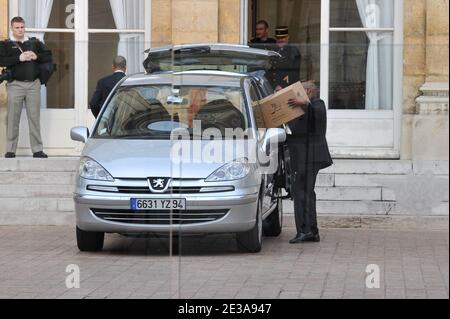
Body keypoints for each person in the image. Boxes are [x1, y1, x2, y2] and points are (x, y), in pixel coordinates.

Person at [285, 81, 333, 243]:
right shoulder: (302, 108)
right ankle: (311, 230)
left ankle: (306, 231)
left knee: (302, 192)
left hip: (311, 156)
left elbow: (317, 113)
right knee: (304, 192)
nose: (298, 94)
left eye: (302, 91)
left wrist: (305, 103)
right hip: (303, 156)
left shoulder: (317, 104)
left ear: (310, 91)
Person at [0, 16, 53, 159]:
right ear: (12, 28)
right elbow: (1, 60)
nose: (20, 30)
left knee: (34, 118)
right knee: (12, 118)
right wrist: (19, 58)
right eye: (17, 27)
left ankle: (37, 150)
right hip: (15, 85)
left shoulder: (34, 42)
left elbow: (48, 56)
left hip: (33, 85)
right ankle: (10, 150)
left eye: (22, 27)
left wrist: (37, 56)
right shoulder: (5, 44)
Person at [269, 26, 301, 91]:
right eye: (278, 38)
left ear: (287, 37)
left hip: (288, 87)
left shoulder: (293, 50)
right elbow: (272, 69)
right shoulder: (274, 49)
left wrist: (282, 85)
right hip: (274, 87)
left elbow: (293, 72)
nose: (280, 40)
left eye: (282, 38)